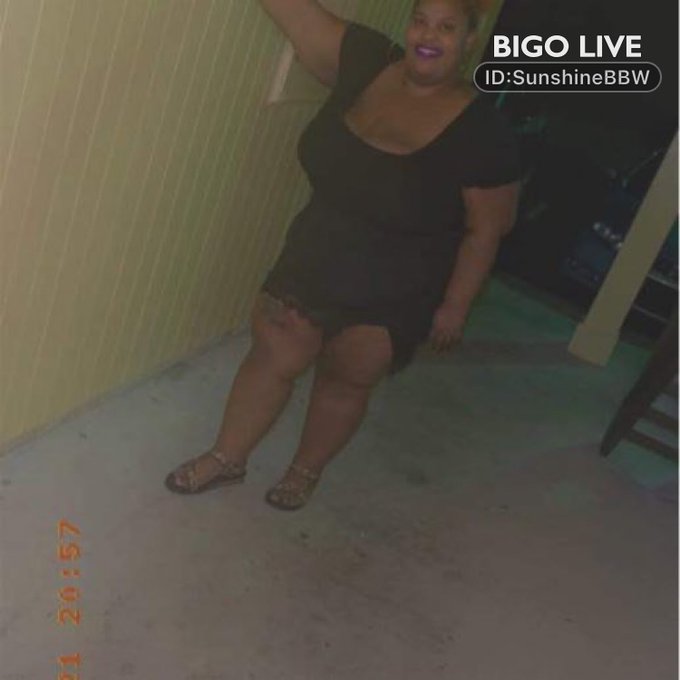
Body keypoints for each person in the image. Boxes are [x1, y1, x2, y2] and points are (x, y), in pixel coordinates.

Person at [164, 0, 521, 509]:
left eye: (447, 28)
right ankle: (226, 458)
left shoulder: (485, 131)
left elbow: (487, 229)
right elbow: (296, 13)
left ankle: (303, 472)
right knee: (273, 354)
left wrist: (455, 305)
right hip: (317, 249)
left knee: (347, 377)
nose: (429, 36)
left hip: (399, 281)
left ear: (468, 41)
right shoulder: (367, 60)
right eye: (421, 20)